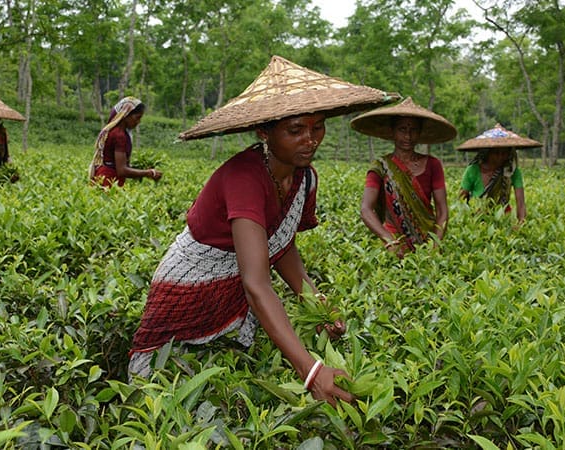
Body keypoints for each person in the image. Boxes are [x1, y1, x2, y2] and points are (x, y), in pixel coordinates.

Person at [128, 55, 398, 406]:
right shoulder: (244, 177)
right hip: (189, 283)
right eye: (296, 130)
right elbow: (256, 284)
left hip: (236, 283)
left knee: (220, 372)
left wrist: (317, 304)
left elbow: (282, 246)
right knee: (159, 385)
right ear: (263, 132)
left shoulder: (304, 178)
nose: (310, 140)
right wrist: (311, 371)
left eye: (317, 127)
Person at [350, 97, 456, 258]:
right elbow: (366, 208)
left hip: (428, 240)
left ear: (420, 133)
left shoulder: (433, 164)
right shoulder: (381, 167)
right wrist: (388, 240)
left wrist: (436, 243)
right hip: (394, 242)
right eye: (402, 129)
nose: (408, 136)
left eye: (413, 130)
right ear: (393, 131)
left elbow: (442, 210)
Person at [457, 123, 541, 225]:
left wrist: (521, 223)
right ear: (487, 152)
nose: (500, 157)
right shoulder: (473, 170)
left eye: (504, 153)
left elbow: (521, 202)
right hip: (476, 217)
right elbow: (461, 199)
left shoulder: (512, 171)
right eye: (496, 153)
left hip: (502, 216)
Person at [90, 97, 162, 187]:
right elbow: (122, 170)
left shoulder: (114, 131)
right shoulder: (119, 135)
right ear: (126, 115)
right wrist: (148, 173)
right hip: (109, 180)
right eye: (137, 117)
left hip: (103, 177)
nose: (138, 122)